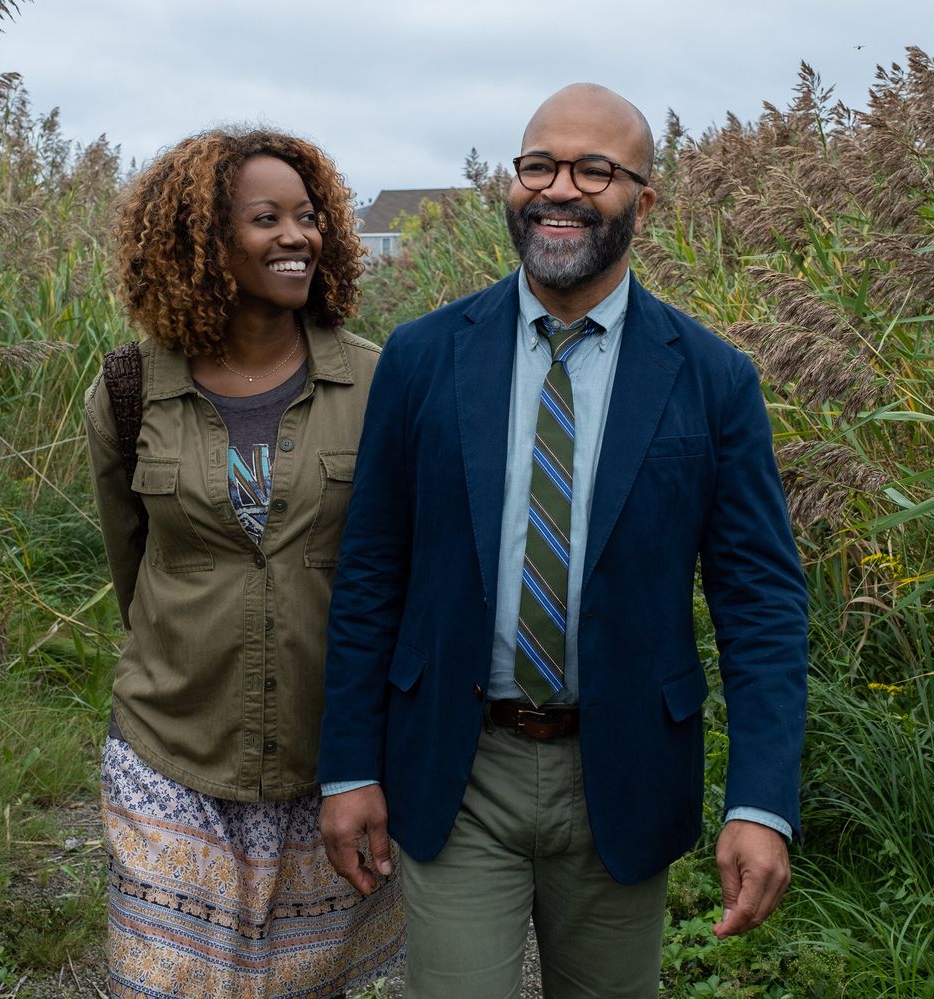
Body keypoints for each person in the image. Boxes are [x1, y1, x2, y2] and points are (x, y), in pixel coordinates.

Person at [317, 84, 808, 999]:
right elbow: (372, 571)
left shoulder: (711, 379)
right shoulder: (423, 356)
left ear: (644, 201)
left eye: (595, 169)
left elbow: (761, 602)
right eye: (539, 164)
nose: (559, 189)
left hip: (621, 766)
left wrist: (761, 800)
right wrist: (347, 764)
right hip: (458, 765)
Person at [85, 128, 404, 999]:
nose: (295, 236)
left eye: (308, 217)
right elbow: (134, 563)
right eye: (266, 218)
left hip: (323, 758)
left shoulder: (380, 385)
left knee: (303, 987)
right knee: (165, 984)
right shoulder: (128, 388)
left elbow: (397, 573)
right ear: (201, 241)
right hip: (170, 746)